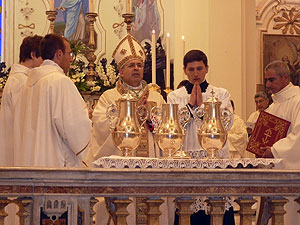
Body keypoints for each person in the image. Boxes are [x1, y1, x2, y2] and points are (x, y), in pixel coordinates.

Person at [84, 34, 166, 225]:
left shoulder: (157, 96)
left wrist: (149, 118)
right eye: (131, 65)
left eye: (138, 65)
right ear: (120, 71)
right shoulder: (108, 97)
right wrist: (131, 116)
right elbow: (101, 127)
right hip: (122, 163)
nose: (136, 68)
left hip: (151, 165)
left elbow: (165, 128)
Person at [167, 49, 235, 225]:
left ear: (206, 68)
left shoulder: (221, 94)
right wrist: (190, 106)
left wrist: (205, 108)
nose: (196, 73)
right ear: (184, 70)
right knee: (187, 209)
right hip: (187, 158)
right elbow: (172, 127)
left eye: (199, 68)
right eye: (191, 69)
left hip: (215, 159)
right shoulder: (174, 96)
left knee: (217, 207)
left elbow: (226, 123)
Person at [12, 33, 91, 167]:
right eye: (69, 54)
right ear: (59, 54)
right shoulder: (60, 82)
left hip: (29, 162)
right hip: (54, 166)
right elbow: (75, 126)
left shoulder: (28, 84)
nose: (71, 60)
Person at [260, 60, 300, 224]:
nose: (268, 85)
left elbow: (298, 136)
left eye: (272, 80)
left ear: (285, 77)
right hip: (272, 173)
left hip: (290, 176)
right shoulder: (274, 105)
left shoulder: (297, 100)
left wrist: (274, 150)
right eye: (266, 80)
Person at [0, 35, 43, 167]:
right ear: (33, 54)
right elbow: (23, 122)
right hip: (17, 149)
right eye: (43, 57)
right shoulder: (21, 81)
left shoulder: (21, 79)